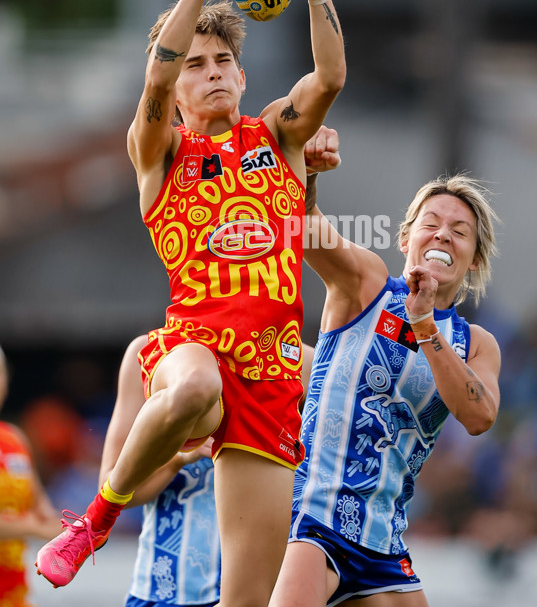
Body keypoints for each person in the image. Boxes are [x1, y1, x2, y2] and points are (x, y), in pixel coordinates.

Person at [36, 0, 345, 607]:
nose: (208, 74)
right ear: (175, 92)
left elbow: (330, 76)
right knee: (199, 384)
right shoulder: (160, 154)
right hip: (190, 352)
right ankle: (93, 523)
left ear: (241, 74)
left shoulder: (276, 134)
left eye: (220, 63)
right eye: (194, 66)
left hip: (269, 376)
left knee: (246, 600)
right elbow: (155, 71)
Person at [269, 129, 501, 606]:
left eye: (459, 232)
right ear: (405, 238)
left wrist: (424, 324)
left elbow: (479, 417)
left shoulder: (475, 344)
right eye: (431, 223)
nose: (442, 235)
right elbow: (303, 228)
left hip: (383, 539)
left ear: (473, 260)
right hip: (314, 516)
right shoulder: (368, 285)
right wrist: (308, 175)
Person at [99, 334, 316, 607]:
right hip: (164, 592)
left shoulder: (302, 362)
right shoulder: (149, 353)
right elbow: (110, 485)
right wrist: (175, 456)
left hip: (260, 593)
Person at [0, 345, 61, 606]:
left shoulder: (14, 439)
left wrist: (79, 528)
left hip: (15, 595)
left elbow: (44, 512)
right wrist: (33, 527)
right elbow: (39, 523)